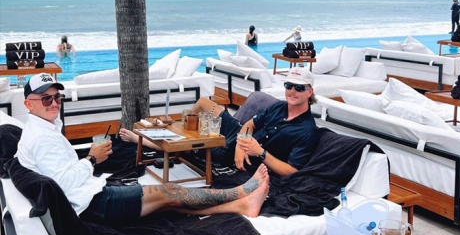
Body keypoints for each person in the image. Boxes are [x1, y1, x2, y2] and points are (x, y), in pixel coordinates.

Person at [16, 73, 270, 225]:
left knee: (166, 202)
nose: (54, 104)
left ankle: (240, 206)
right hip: (91, 204)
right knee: (170, 191)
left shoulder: (42, 128)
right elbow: (65, 184)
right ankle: (240, 192)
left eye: (56, 98)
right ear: (29, 104)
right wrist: (92, 160)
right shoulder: (42, 138)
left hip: (87, 197)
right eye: (46, 99)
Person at [122, 68, 318, 176]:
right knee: (203, 103)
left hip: (236, 154)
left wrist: (259, 152)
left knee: (192, 143)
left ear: (310, 92)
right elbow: (250, 123)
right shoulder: (278, 107)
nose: (292, 91)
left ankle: (149, 140)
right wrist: (243, 140)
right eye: (289, 85)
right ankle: (179, 128)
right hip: (240, 135)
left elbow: (291, 171)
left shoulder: (307, 130)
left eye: (299, 88)